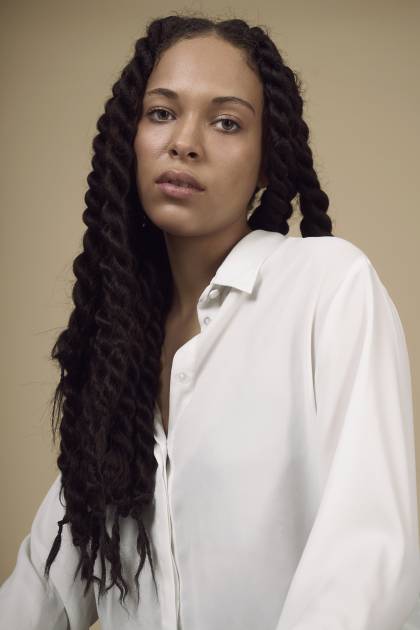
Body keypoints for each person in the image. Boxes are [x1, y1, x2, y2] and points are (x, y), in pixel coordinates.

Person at [1, 12, 420, 630]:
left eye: (226, 122)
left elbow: (367, 556)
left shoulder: (327, 287)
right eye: (161, 113)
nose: (185, 142)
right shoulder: (120, 355)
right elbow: (44, 584)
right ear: (130, 137)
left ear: (268, 160)